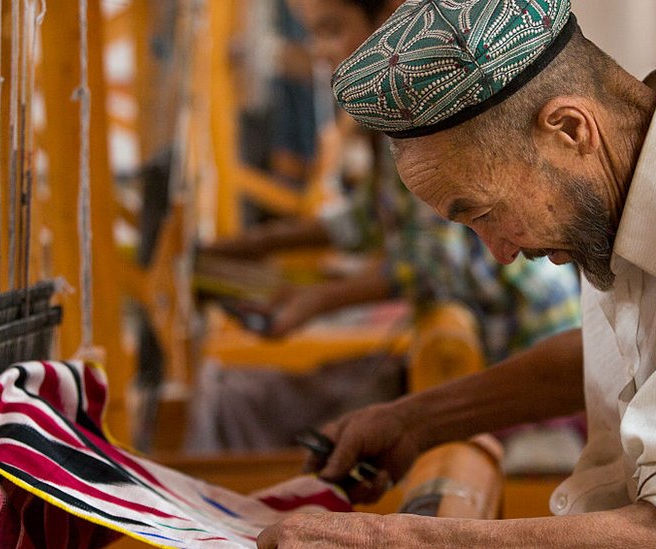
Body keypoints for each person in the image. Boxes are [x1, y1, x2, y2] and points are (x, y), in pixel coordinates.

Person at [256, 0, 656, 547]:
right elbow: (631, 359)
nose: (499, 252)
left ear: (571, 130)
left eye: (483, 213)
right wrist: (416, 420)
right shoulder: (646, 185)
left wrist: (395, 540)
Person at [207, 0, 581, 364]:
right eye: (314, 35)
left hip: (532, 338)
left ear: (390, 18)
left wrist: (319, 299)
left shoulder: (426, 116)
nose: (319, 53)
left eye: (332, 30)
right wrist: (259, 244)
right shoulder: (391, 117)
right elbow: (369, 217)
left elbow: (434, 265)